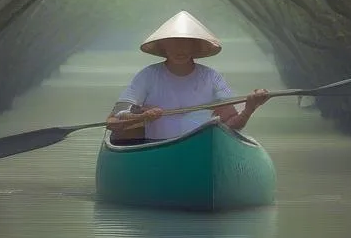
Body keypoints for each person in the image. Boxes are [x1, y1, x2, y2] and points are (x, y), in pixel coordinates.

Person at [106, 11, 270, 143]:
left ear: (194, 48)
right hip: (155, 148)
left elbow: (233, 124)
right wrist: (142, 117)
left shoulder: (212, 77)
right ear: (164, 47)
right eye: (174, 44)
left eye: (186, 44)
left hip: (203, 146)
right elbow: (114, 120)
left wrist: (249, 108)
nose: (180, 50)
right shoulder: (147, 75)